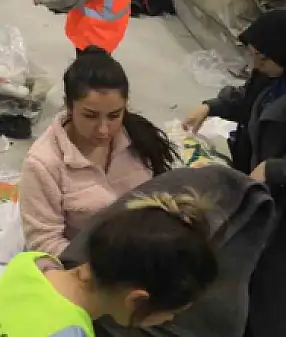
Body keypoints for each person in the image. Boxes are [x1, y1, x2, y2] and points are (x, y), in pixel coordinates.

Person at [0, 193, 217, 336]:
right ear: (137, 300)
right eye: (171, 313)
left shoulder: (33, 262)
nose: (167, 321)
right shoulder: (70, 331)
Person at [19, 48, 177, 255]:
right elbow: (45, 242)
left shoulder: (139, 138)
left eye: (114, 115)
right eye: (90, 116)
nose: (103, 130)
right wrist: (104, 271)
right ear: (69, 106)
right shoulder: (43, 164)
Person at [186, 10, 286, 181]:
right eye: (254, 55)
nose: (256, 65)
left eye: (263, 59)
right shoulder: (268, 77)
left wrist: (273, 169)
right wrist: (210, 106)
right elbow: (246, 99)